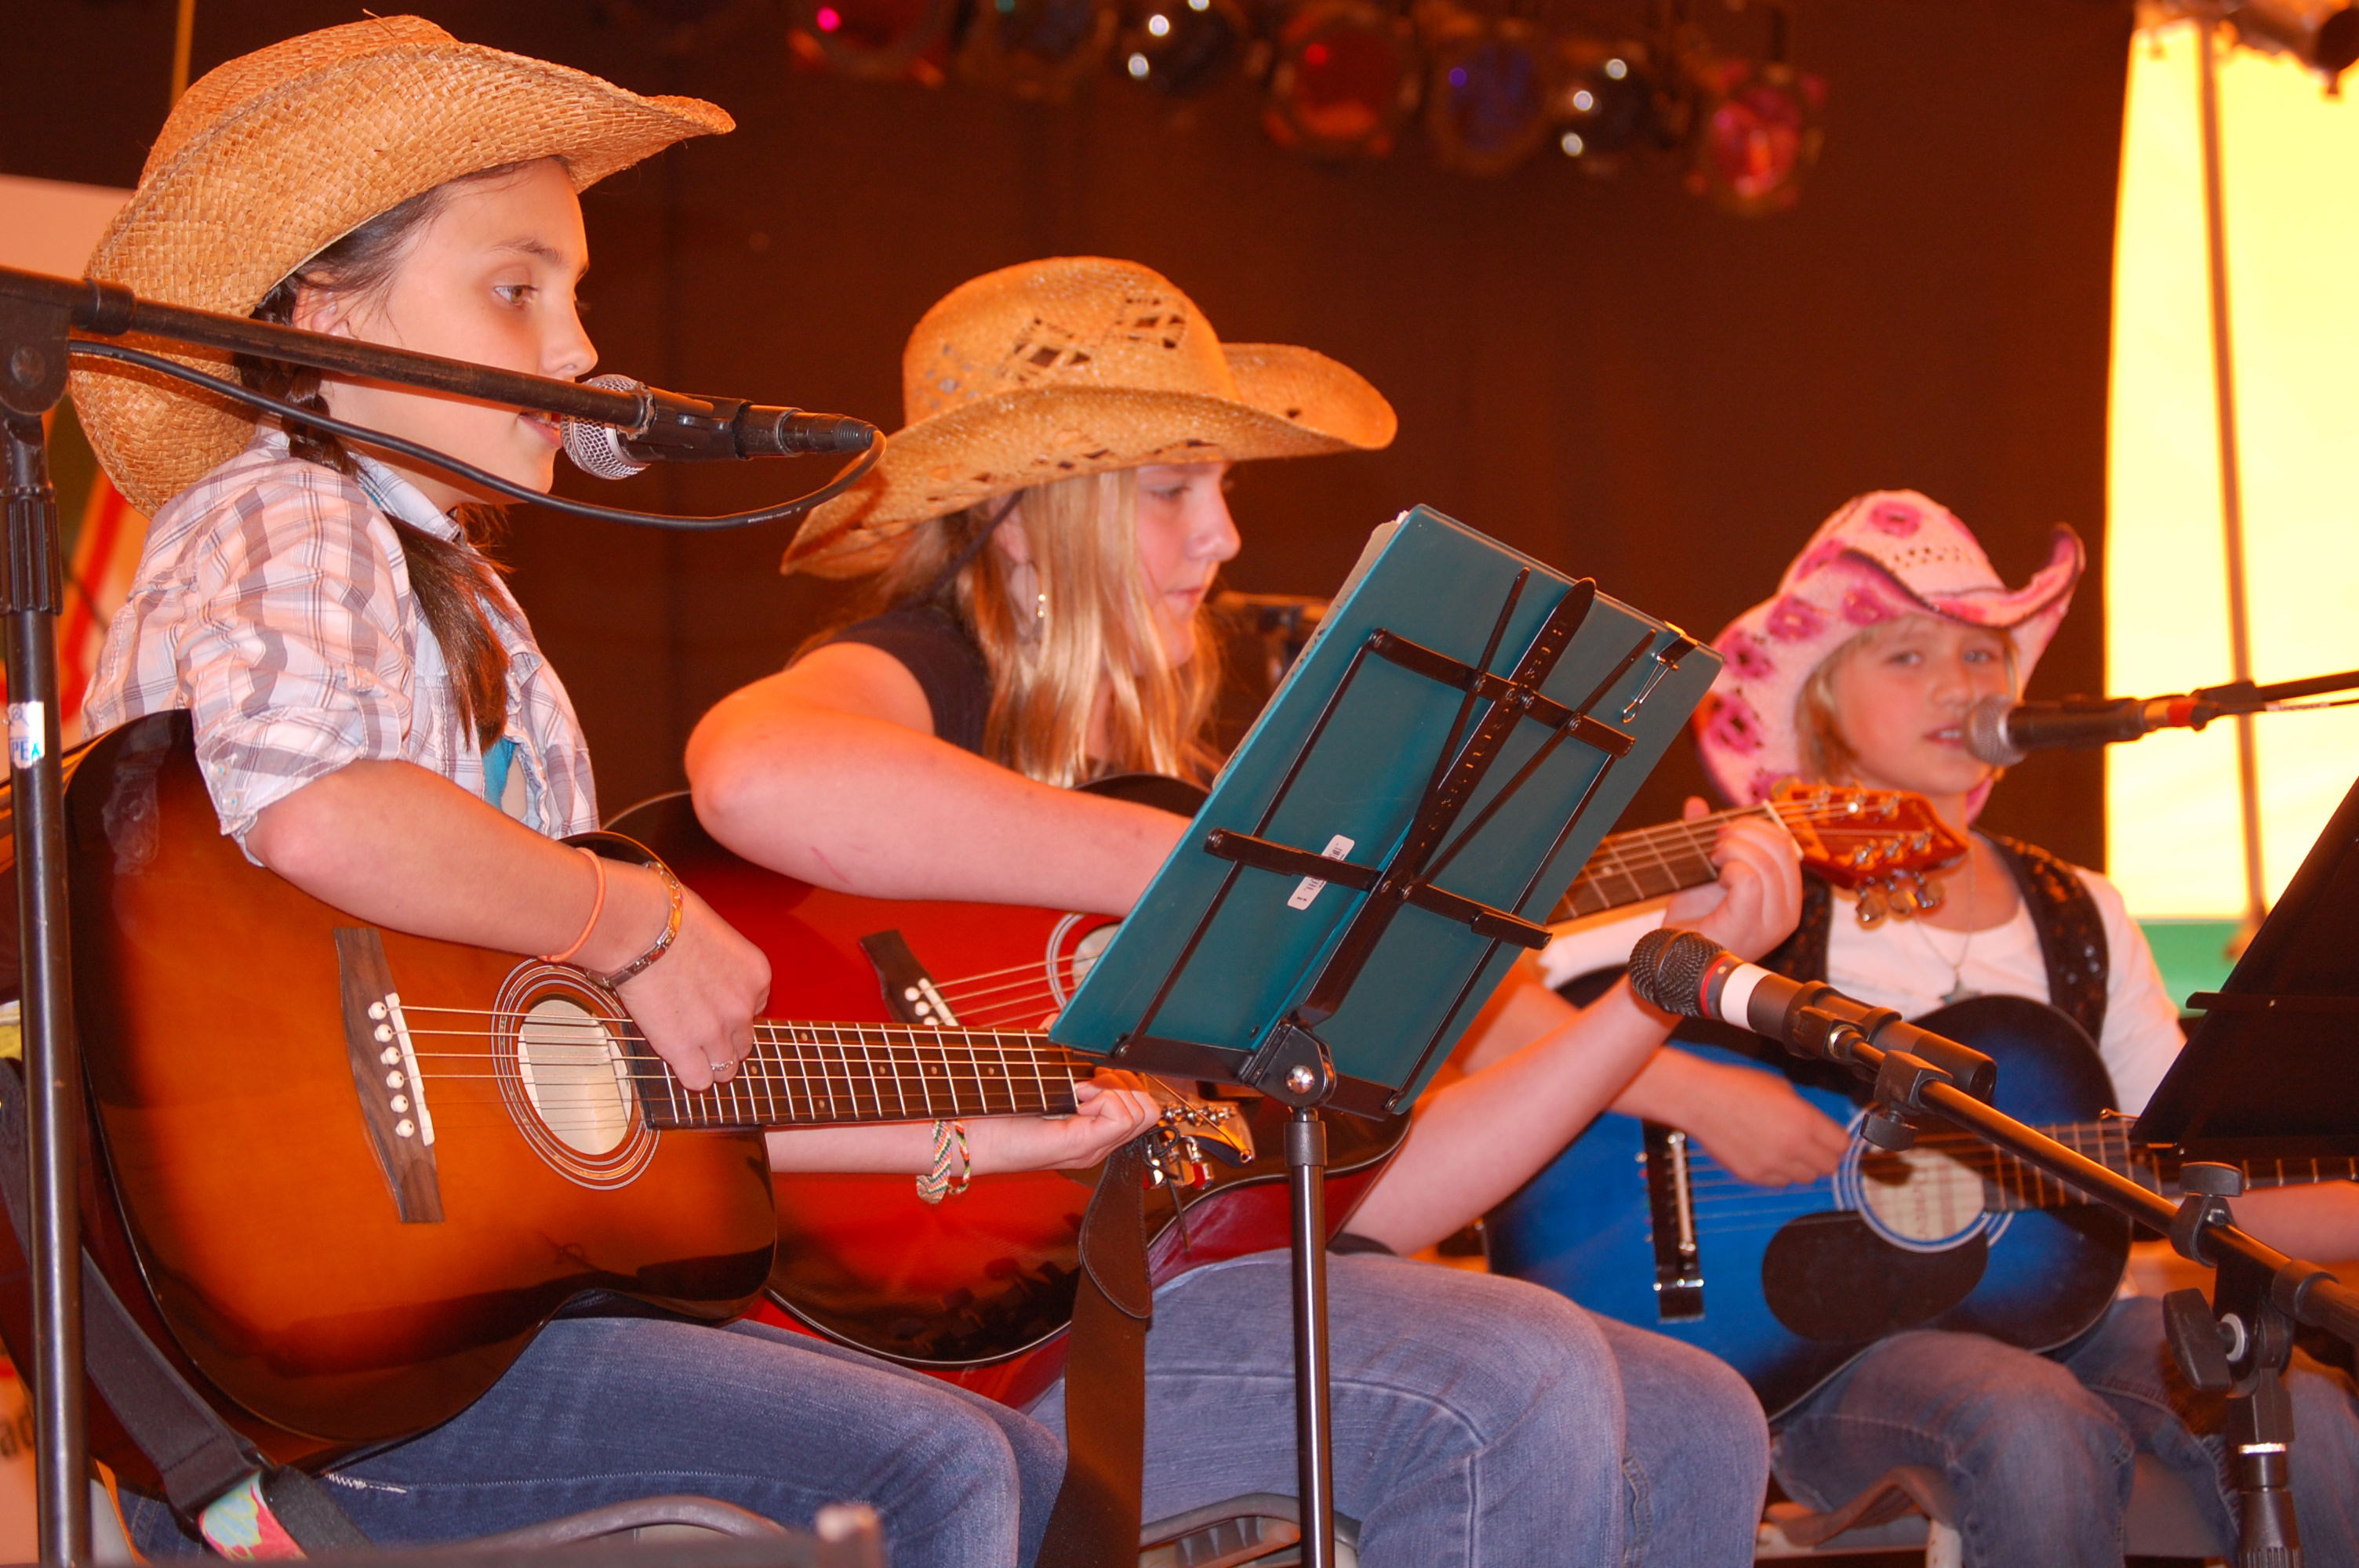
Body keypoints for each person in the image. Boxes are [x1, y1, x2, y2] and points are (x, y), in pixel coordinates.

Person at [71, 22, 1164, 1563]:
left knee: (1022, 1471)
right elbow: (318, 806)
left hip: (442, 1339)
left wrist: (974, 1129)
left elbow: (610, 1103)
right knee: (943, 1471)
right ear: (324, 313)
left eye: (574, 296)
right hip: (329, 1370)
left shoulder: (462, 596)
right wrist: (634, 921)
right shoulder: (294, 510)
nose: (579, 353)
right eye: (517, 290)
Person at [687, 256, 1791, 1566]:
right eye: (1172, 491)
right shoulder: (933, 673)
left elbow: (1366, 1196)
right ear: (1027, 521)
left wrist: (1661, 989)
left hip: (1169, 1286)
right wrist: (1200, 877)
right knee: (1509, 1369)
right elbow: (753, 773)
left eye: (1220, 490)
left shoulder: (1183, 774)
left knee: (1700, 1419)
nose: (1222, 537)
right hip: (959, 1328)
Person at [1489, 492, 2359, 1565]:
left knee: (2309, 1410)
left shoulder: (2079, 909)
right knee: (2030, 1423)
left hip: (2069, 1315)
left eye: (1986, 655)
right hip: (1825, 1351)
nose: (1963, 685)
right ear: (1819, 695)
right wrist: (1706, 1095)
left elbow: (2191, 1169)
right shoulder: (1746, 873)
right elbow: (1479, 1003)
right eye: (1908, 656)